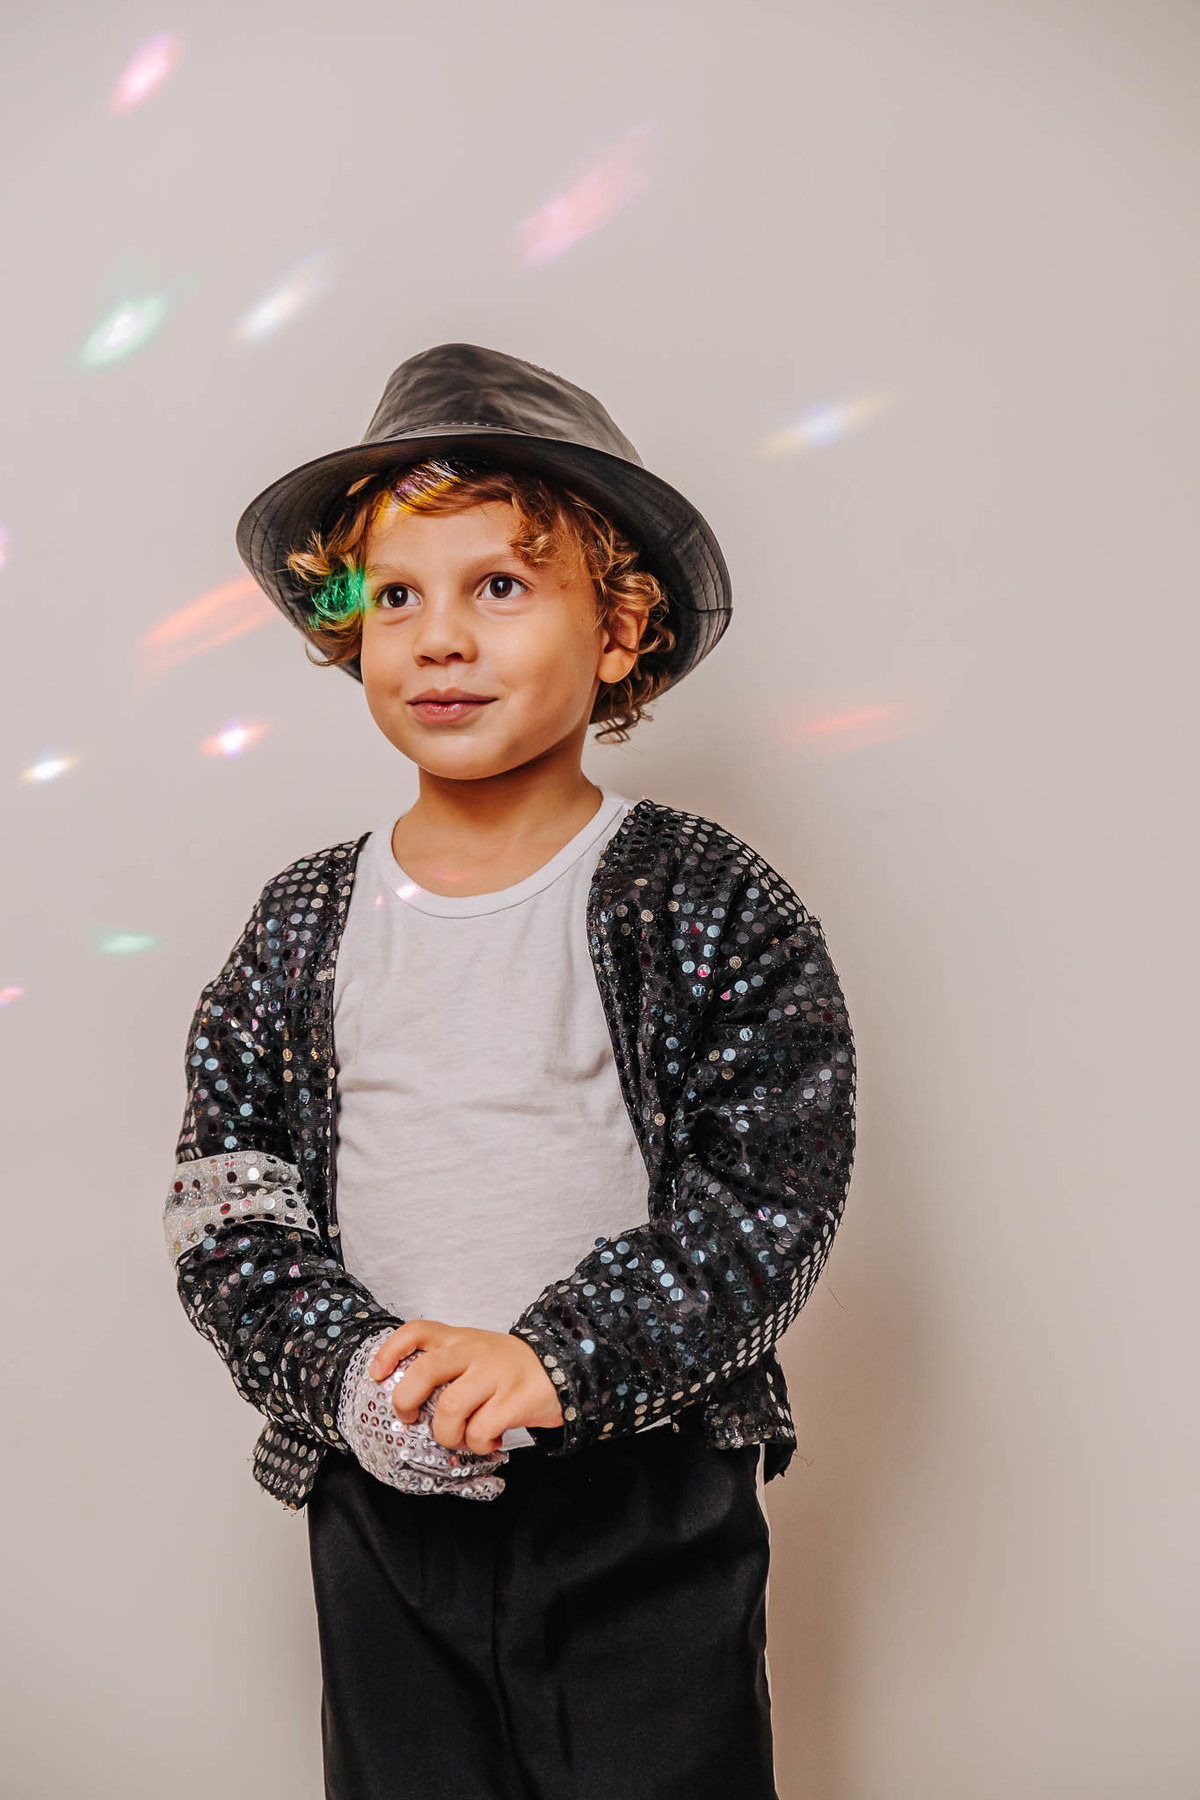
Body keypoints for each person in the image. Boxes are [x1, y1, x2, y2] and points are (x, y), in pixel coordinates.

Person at [164, 342, 857, 1800]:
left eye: (498, 587)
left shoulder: (704, 897)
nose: (439, 639)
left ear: (617, 631)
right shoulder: (303, 921)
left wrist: (560, 1359)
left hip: (643, 1492)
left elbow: (768, 1192)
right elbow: (226, 1201)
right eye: (394, 597)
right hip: (384, 1501)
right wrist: (346, 1373)